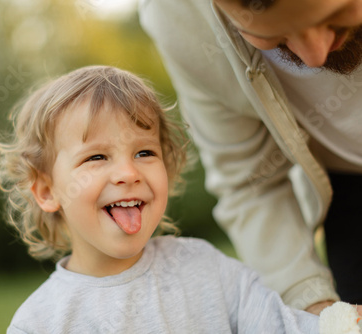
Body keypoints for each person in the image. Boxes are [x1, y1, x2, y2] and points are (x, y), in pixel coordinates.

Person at [0, 65, 356, 333]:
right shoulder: (40, 322)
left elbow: (284, 326)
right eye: (96, 157)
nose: (128, 173)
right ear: (47, 191)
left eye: (144, 153)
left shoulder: (205, 268)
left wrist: (345, 324)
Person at [139, 0, 362, 315]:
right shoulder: (178, 16)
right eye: (277, 38)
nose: (314, 56)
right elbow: (251, 183)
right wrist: (313, 307)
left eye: (334, 16)